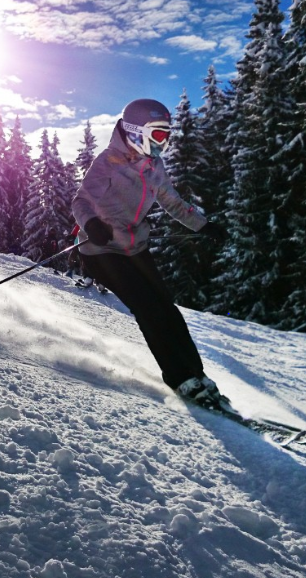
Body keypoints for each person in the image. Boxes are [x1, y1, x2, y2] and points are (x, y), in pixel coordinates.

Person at [71, 98, 229, 409]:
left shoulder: (154, 166)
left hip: (134, 247)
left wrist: (203, 226)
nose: (164, 143)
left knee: (167, 308)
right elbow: (81, 201)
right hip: (101, 249)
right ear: (134, 131)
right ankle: (179, 378)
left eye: (167, 136)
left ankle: (197, 375)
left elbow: (171, 202)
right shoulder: (107, 162)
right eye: (158, 135)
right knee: (148, 308)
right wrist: (91, 224)